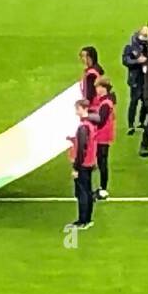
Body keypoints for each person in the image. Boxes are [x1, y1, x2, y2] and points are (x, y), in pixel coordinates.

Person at [65, 99, 98, 231]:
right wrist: (73, 139)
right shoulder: (90, 125)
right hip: (89, 163)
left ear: (82, 109)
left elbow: (81, 149)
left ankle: (82, 220)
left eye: (77, 108)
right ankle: (87, 219)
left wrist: (75, 168)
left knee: (82, 193)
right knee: (88, 191)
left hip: (83, 165)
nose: (76, 111)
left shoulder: (83, 127)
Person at [120, 25, 148, 135]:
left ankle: (141, 122)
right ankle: (131, 125)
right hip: (136, 79)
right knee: (134, 101)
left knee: (146, 101)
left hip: (147, 78)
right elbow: (126, 61)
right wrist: (138, 61)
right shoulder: (130, 47)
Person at [90, 77, 117, 200]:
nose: (96, 90)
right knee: (101, 162)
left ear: (103, 88)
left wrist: (88, 117)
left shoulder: (106, 103)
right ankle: (102, 188)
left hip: (102, 137)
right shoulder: (106, 101)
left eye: (98, 87)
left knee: (102, 162)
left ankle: (103, 189)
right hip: (104, 136)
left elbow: (101, 120)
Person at [79, 45, 103, 109]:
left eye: (83, 56)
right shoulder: (97, 69)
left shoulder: (91, 74)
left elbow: (89, 93)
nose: (81, 59)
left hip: (92, 106)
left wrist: (82, 105)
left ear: (90, 57)